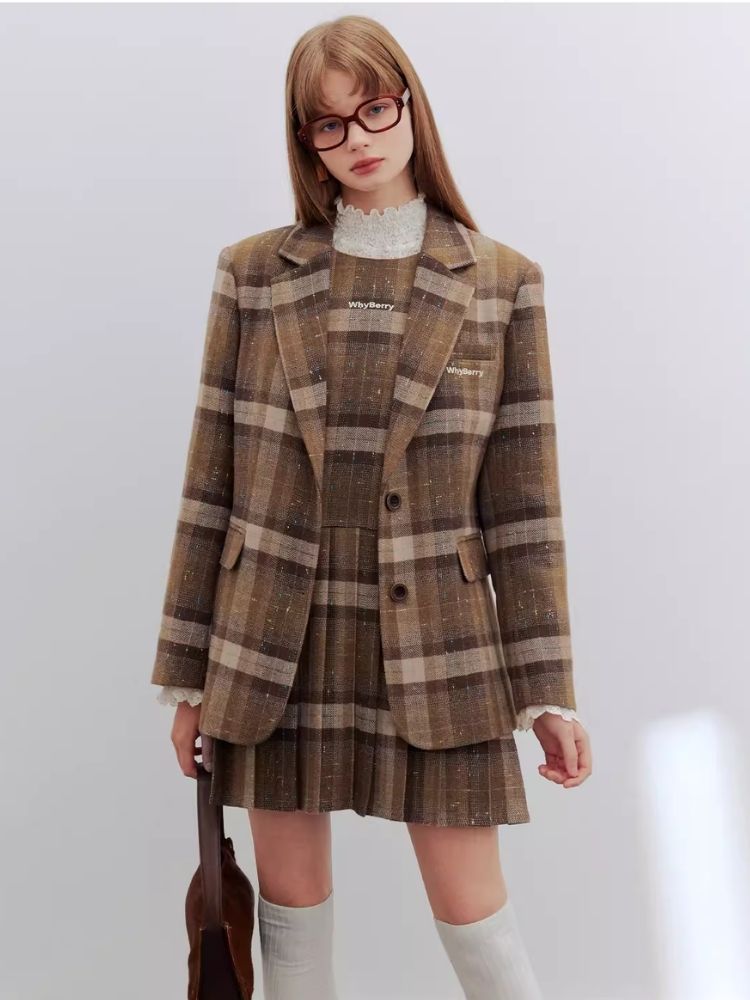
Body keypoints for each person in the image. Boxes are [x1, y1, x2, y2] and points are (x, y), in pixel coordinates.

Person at [151, 14, 592, 1000]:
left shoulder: (502, 283)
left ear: (410, 106)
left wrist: (548, 693)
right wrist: (184, 675)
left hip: (442, 645)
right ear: (305, 141)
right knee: (292, 920)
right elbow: (210, 483)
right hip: (274, 640)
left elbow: (525, 510)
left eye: (375, 109)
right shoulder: (253, 274)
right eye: (329, 123)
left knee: (478, 922)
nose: (358, 138)